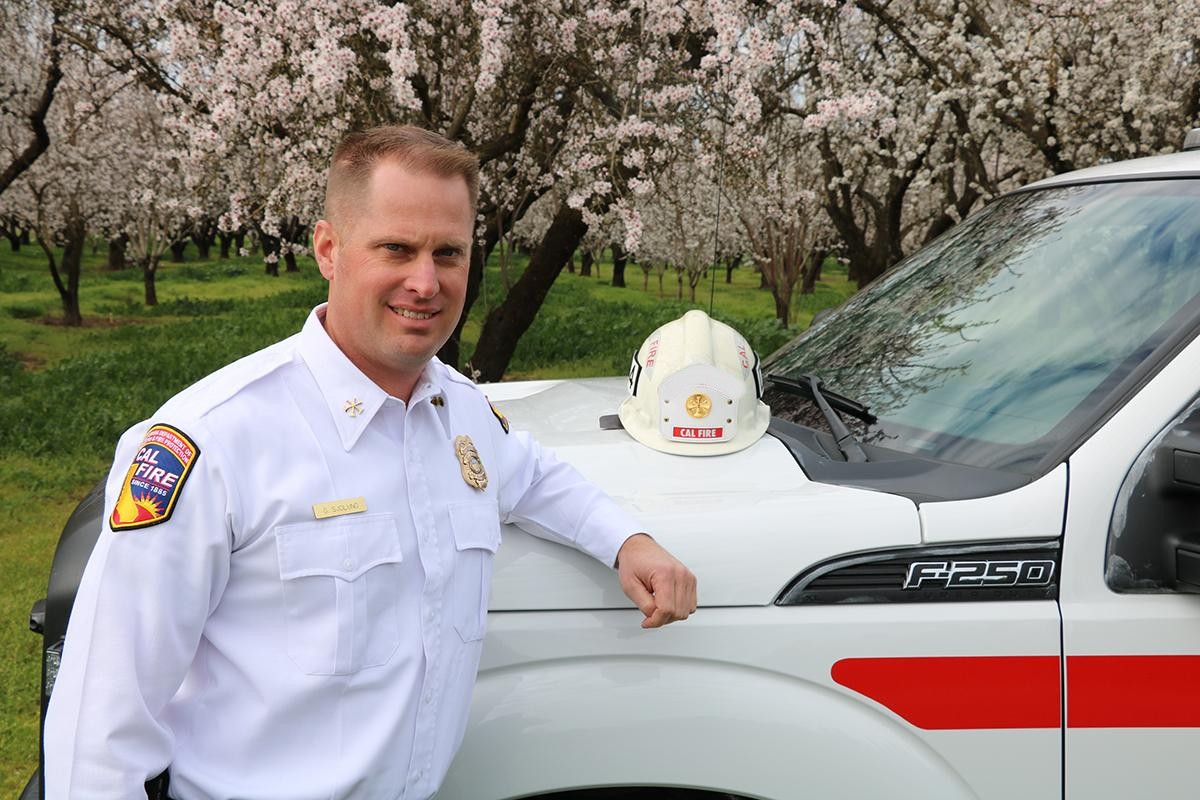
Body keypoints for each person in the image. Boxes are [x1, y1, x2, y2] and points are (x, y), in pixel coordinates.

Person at [44, 125, 697, 800]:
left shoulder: (461, 411)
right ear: (329, 248)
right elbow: (101, 718)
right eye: (397, 248)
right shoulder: (213, 440)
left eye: (449, 252)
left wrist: (628, 540)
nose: (426, 281)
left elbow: (532, 475)